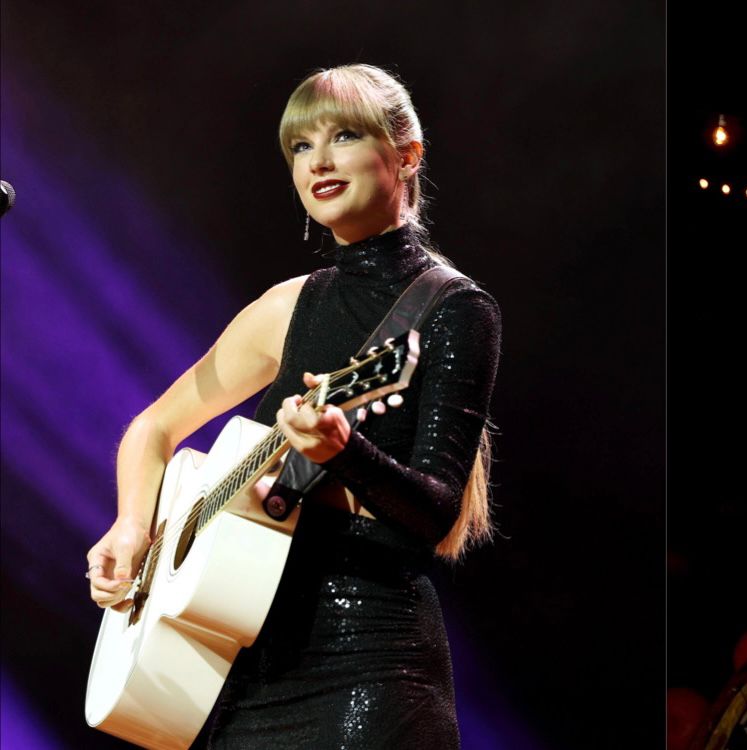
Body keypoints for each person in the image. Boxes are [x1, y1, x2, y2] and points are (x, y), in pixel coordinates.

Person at [85, 64, 501, 748]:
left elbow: (434, 512)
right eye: (301, 146)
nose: (318, 160)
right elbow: (153, 427)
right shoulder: (287, 305)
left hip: (367, 665)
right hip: (239, 673)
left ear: (407, 155)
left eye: (344, 136)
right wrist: (131, 528)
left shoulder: (454, 309)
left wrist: (345, 452)